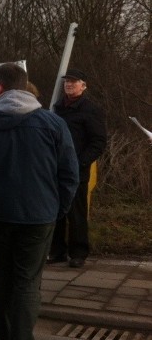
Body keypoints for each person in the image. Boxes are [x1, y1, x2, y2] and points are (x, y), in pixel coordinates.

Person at [0, 63, 78, 340]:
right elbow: (70, 174)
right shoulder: (53, 124)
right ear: (25, 86)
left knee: (3, 279)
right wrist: (58, 209)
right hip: (39, 216)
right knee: (27, 281)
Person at [49, 68, 107, 269]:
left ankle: (79, 252)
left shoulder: (91, 110)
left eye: (74, 82)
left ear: (83, 86)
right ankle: (56, 251)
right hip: (56, 168)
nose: (69, 85)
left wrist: (81, 162)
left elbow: (98, 142)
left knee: (77, 213)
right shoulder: (57, 108)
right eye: (67, 82)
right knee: (56, 212)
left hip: (77, 170)